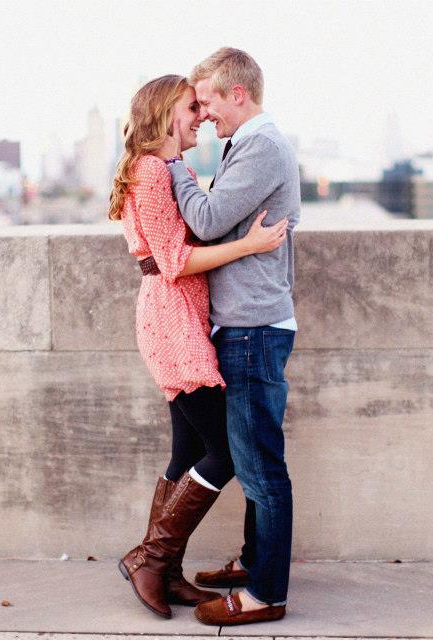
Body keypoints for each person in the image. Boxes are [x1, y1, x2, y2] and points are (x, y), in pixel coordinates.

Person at [108, 74, 288, 620]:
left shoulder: (166, 169)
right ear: (166, 115)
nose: (200, 118)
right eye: (192, 108)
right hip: (172, 322)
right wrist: (251, 245)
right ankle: (149, 556)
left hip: (182, 317)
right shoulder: (149, 170)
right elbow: (175, 262)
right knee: (226, 451)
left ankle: (165, 571)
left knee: (187, 453)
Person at [163, 48, 301, 626]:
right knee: (248, 458)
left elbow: (208, 220)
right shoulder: (250, 145)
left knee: (261, 466)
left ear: (237, 93)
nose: (206, 114)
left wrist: (172, 167)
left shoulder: (262, 146)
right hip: (246, 326)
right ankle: (253, 562)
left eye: (210, 100)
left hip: (253, 330)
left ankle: (266, 594)